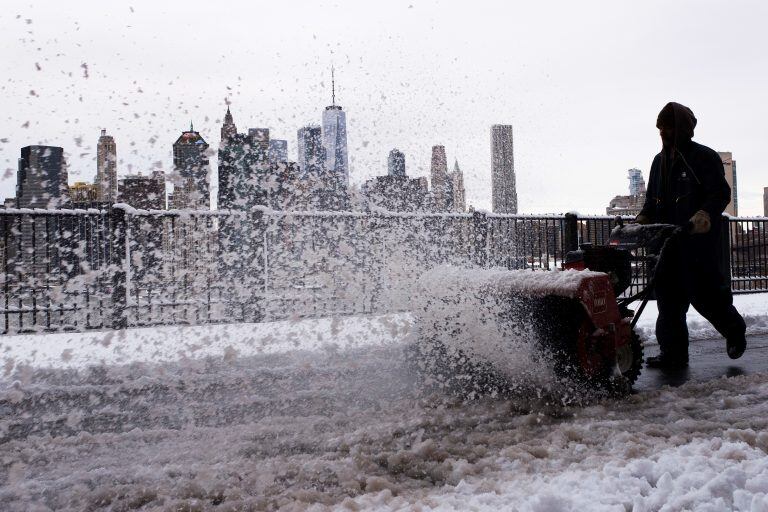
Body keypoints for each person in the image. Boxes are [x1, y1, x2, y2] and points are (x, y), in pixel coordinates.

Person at [636, 102, 746, 369]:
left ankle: (734, 332)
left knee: (707, 297)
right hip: (667, 242)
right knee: (668, 301)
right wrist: (642, 219)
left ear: (683, 129)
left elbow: (720, 193)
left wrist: (703, 215)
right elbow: (652, 201)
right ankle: (673, 354)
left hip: (697, 242)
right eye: (661, 128)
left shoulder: (703, 157)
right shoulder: (658, 161)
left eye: (669, 127)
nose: (664, 133)